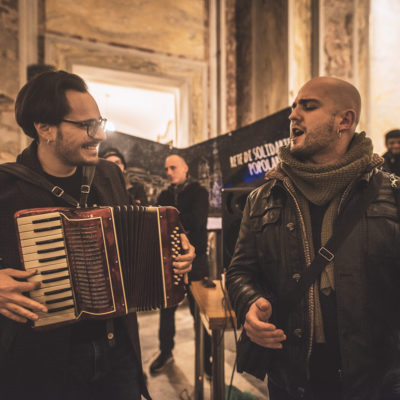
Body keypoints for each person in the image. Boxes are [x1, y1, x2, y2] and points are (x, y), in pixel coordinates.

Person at [0, 70, 195, 400]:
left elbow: (137, 232)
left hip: (117, 347)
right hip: (44, 363)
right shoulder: (7, 188)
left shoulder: (107, 175)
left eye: (99, 121)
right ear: (45, 128)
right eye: (86, 125)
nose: (100, 134)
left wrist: (175, 246)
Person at [226, 76, 400, 400]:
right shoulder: (263, 197)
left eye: (308, 106)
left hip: (375, 381)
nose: (293, 115)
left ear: (344, 121)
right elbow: (239, 272)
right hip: (292, 379)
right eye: (293, 107)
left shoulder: (392, 195)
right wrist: (249, 303)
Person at [149, 154, 212, 376]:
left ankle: (208, 359)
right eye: (166, 168)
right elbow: (156, 224)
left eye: (173, 167)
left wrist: (171, 220)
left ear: (185, 168)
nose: (168, 172)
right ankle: (165, 352)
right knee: (166, 312)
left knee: (200, 314)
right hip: (169, 262)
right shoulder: (165, 194)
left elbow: (197, 222)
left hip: (196, 262)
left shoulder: (199, 192)